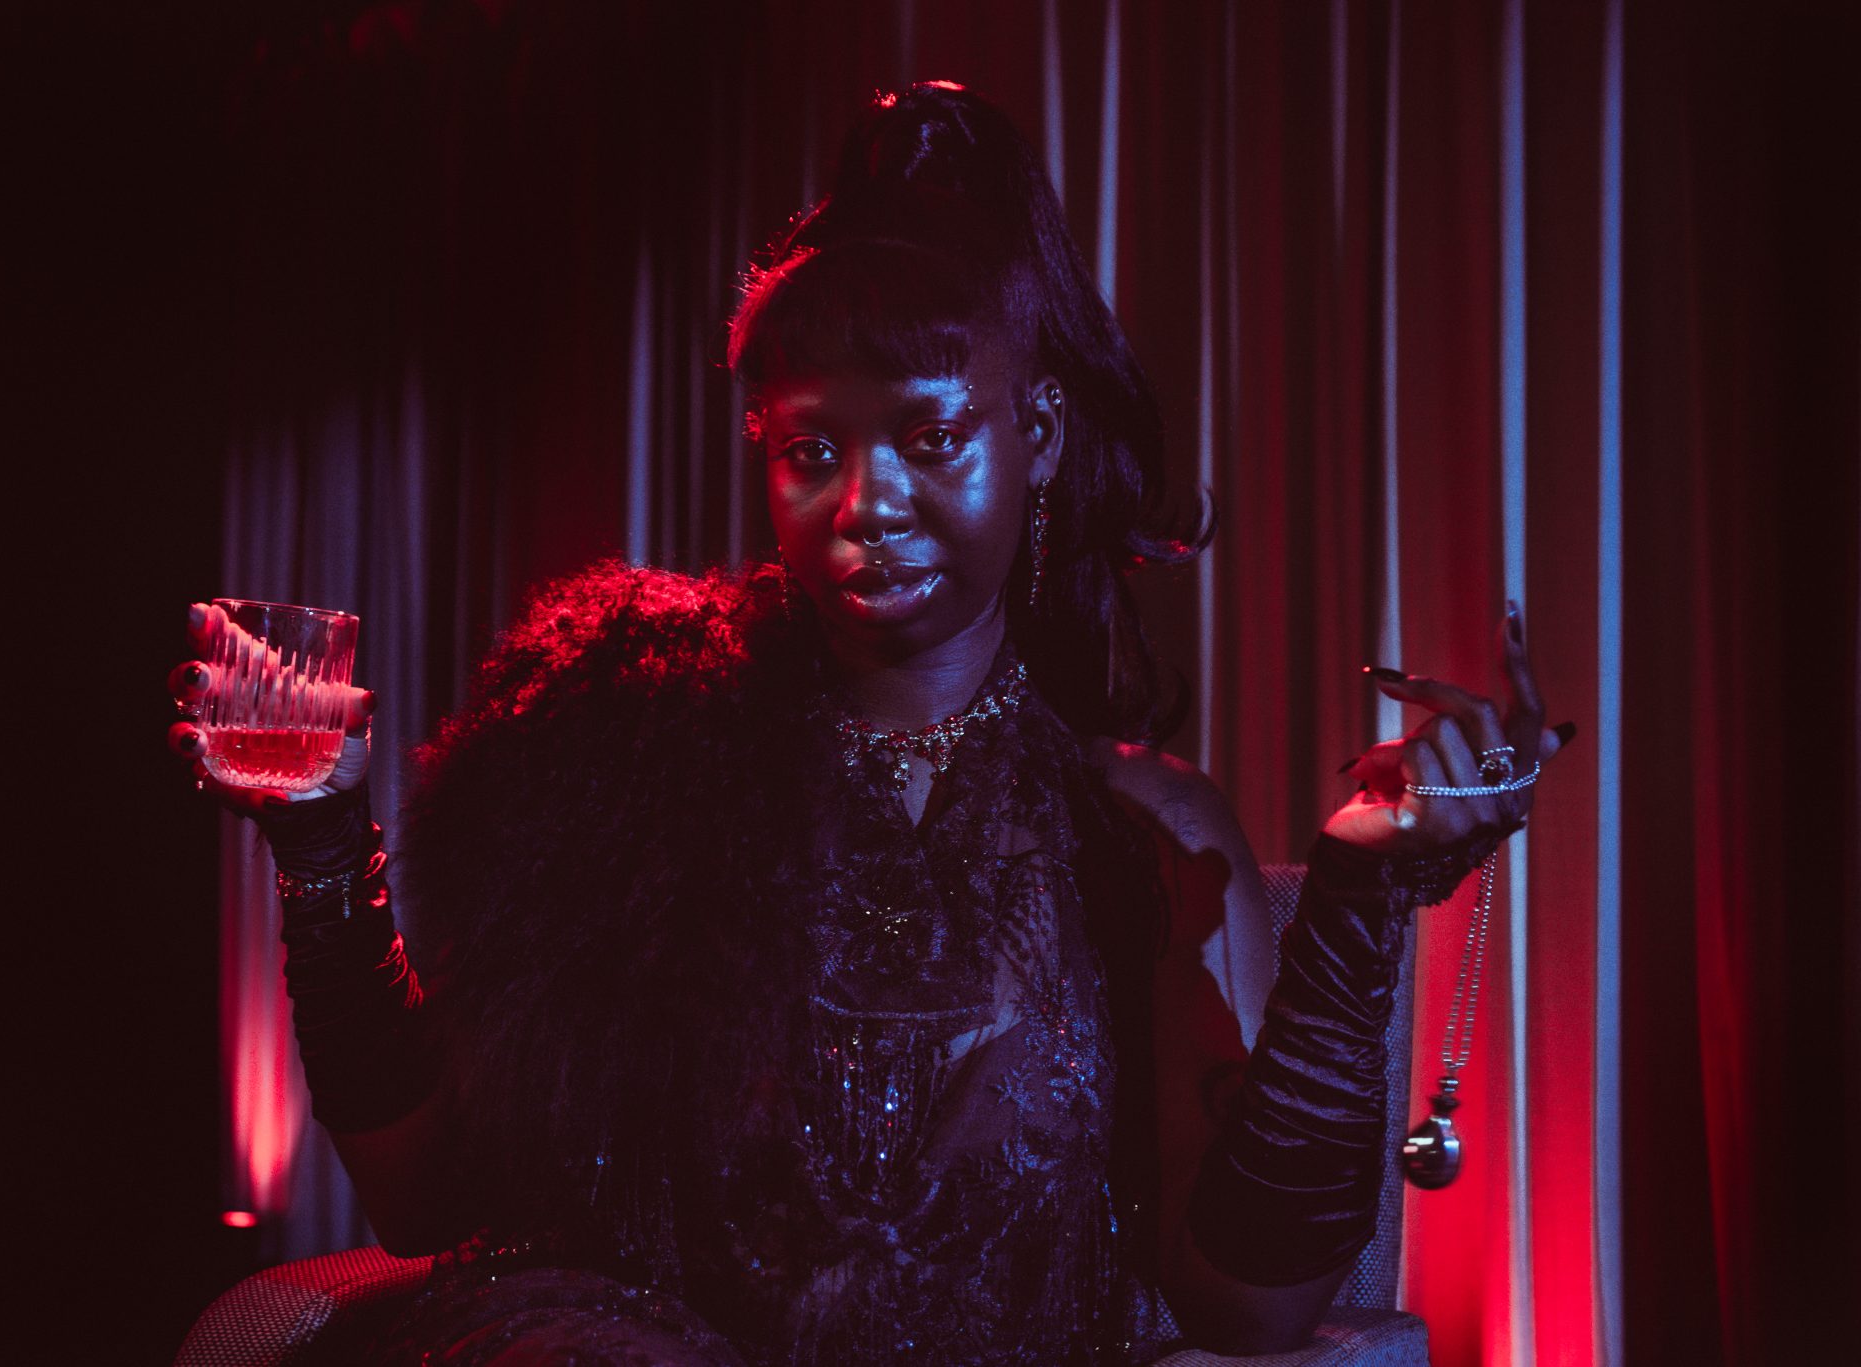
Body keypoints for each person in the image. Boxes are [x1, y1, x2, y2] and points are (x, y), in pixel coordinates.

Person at [169, 82, 1565, 1365]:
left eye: (930, 437)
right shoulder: (625, 755)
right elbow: (425, 1197)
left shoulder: (1137, 830)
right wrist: (323, 848)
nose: (865, 506)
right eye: (811, 451)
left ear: (1040, 436)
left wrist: (1360, 896)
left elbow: (1249, 1303)